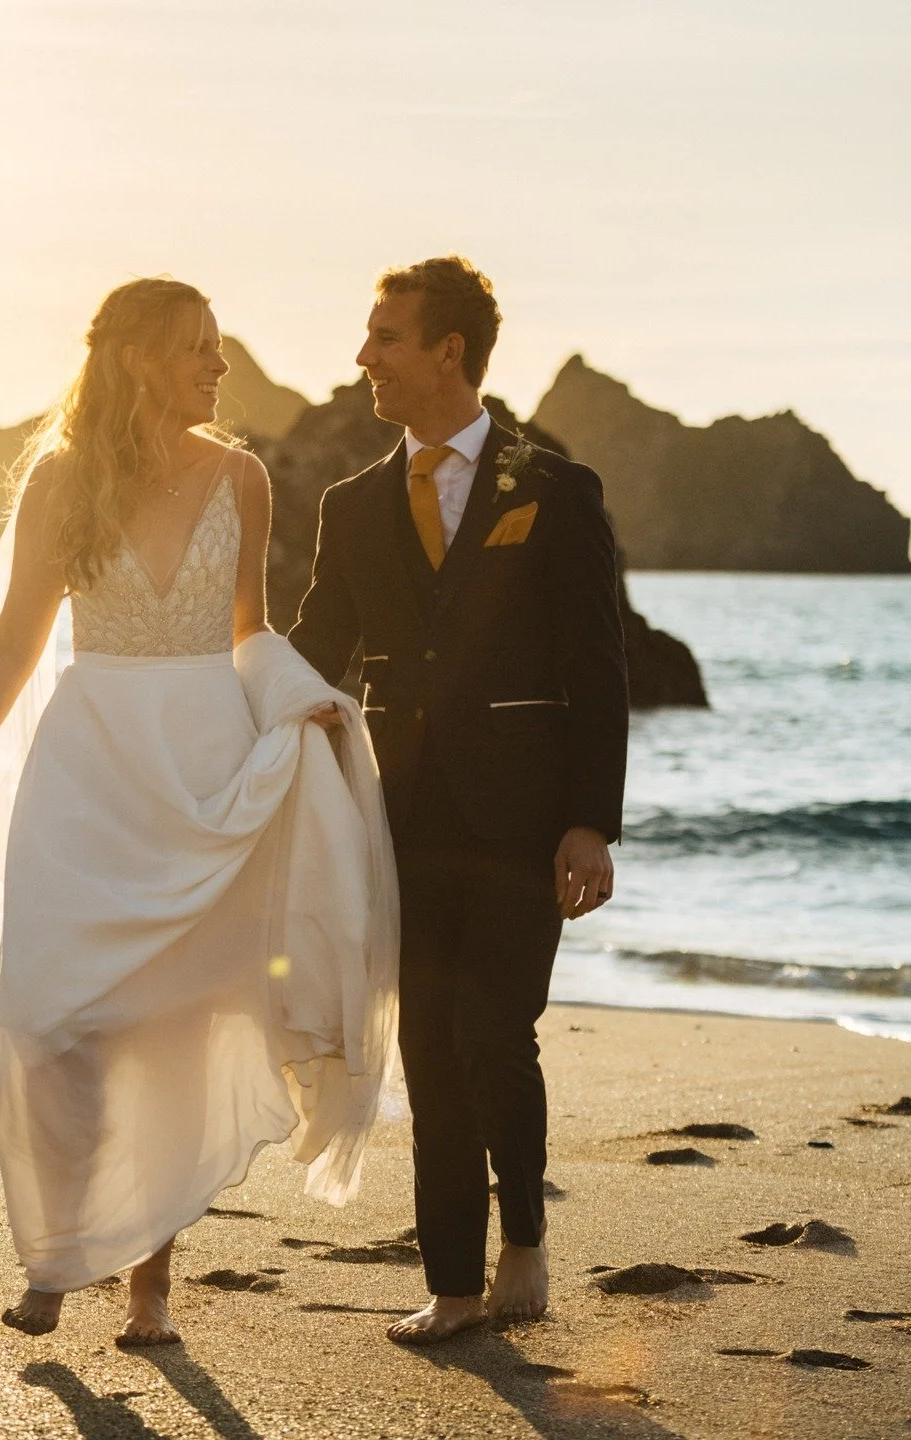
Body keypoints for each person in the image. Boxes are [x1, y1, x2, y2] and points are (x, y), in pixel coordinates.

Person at [0, 277, 397, 1346]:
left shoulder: (244, 476)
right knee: (52, 1021)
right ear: (137, 357)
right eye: (196, 349)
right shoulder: (61, 479)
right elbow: (16, 643)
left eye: (217, 349)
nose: (217, 367)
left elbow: (248, 630)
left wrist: (300, 701)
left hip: (203, 772)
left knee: (176, 1033)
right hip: (88, 775)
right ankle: (56, 1250)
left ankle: (148, 1287)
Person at [288, 256, 629, 1343]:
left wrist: (592, 821)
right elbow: (317, 653)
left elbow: (601, 668)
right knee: (431, 1049)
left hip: (527, 820)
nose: (364, 357)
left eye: (385, 336)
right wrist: (208, 702)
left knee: (496, 1029)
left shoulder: (555, 490)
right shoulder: (351, 507)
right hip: (404, 823)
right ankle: (452, 1284)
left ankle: (523, 1241)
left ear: (449, 353)